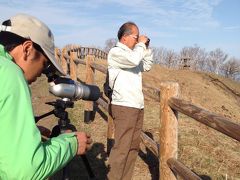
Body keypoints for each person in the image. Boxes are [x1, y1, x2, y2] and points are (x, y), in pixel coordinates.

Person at [0, 13, 92, 179]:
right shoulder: (10, 74)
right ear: (27, 48)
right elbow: (26, 171)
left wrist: (23, 133)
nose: (43, 72)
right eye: (44, 63)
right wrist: (72, 144)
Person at [107, 22, 153, 180]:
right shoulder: (116, 52)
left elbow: (146, 66)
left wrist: (145, 48)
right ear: (125, 37)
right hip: (124, 106)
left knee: (132, 148)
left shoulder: (133, 54)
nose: (138, 39)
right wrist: (140, 46)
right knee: (121, 149)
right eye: (136, 36)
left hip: (136, 106)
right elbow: (134, 61)